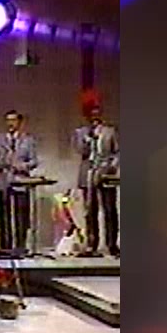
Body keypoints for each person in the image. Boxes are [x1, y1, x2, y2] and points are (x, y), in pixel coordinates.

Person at [0, 110, 39, 251]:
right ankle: (6, 246)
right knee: (4, 216)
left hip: (21, 181)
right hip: (3, 181)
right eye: (8, 120)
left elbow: (34, 161)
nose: (10, 123)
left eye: (13, 120)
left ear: (20, 122)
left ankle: (21, 246)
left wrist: (22, 166)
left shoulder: (28, 140)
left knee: (21, 215)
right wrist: (5, 162)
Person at [74, 105, 120, 257]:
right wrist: (88, 140)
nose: (94, 117)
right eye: (91, 114)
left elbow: (117, 152)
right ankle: (92, 244)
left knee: (109, 210)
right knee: (90, 211)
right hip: (88, 173)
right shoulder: (81, 132)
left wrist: (111, 167)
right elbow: (80, 150)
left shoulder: (110, 131)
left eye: (97, 114)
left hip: (106, 174)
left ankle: (112, 244)